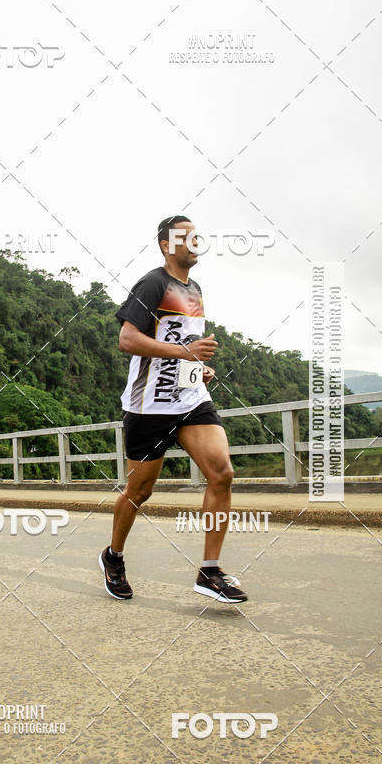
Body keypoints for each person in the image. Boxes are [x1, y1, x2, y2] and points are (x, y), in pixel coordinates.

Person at [99, 215, 248, 604]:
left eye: (198, 233)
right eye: (185, 235)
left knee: (222, 473)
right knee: (139, 490)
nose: (195, 239)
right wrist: (185, 353)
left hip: (190, 398)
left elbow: (184, 344)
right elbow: (127, 339)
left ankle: (209, 571)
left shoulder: (195, 289)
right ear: (167, 245)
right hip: (148, 406)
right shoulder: (153, 283)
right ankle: (113, 556)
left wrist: (198, 366)